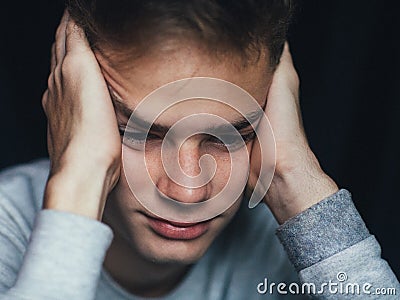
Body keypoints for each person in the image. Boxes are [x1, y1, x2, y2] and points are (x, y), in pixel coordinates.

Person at [0, 1, 398, 299]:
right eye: (136, 133)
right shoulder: (8, 234)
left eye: (230, 136)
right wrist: (78, 180)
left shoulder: (302, 252)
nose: (189, 193)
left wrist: (295, 178)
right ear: (69, 109)